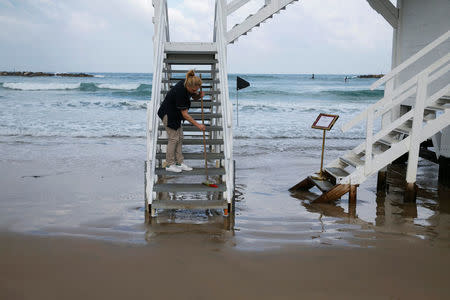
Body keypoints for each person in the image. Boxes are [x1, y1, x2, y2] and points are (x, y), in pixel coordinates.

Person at [157, 70, 206, 172]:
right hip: (168, 114)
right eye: (193, 90)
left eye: (196, 90)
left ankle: (179, 162)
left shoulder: (186, 83)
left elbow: (193, 95)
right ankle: (169, 164)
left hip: (176, 114)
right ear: (188, 86)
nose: (195, 91)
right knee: (174, 139)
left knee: (180, 137)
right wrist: (198, 125)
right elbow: (185, 115)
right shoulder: (181, 93)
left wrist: (198, 95)